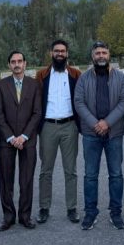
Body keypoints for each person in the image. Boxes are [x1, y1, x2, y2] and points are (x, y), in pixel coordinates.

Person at [74, 41, 124, 231]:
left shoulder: (120, 77)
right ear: (92, 56)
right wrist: (95, 124)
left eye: (104, 52)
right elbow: (79, 102)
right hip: (91, 134)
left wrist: (107, 122)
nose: (101, 56)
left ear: (109, 54)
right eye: (97, 53)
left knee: (116, 174)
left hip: (114, 133)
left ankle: (116, 213)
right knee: (90, 175)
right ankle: (91, 213)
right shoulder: (84, 78)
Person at [35, 39, 82, 224]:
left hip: (70, 126)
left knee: (71, 170)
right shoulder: (42, 75)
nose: (60, 54)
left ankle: (72, 208)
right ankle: (44, 208)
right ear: (51, 53)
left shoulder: (76, 74)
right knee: (45, 170)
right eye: (56, 51)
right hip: (48, 127)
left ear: (67, 53)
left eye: (63, 51)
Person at [0, 51, 43, 230]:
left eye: (20, 61)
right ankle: (8, 217)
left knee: (26, 180)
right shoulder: (1, 85)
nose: (17, 64)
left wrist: (24, 136)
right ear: (9, 65)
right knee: (6, 180)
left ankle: (25, 216)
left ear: (25, 63)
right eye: (13, 62)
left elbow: (37, 112)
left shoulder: (34, 84)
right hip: (6, 140)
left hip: (28, 140)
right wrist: (10, 137)